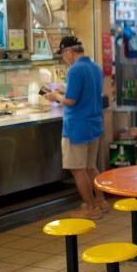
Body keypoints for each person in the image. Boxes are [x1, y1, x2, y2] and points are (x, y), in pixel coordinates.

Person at [45, 36, 108, 219]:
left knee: (77, 169)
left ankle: (91, 209)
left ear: (69, 51)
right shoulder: (95, 67)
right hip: (94, 124)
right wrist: (63, 90)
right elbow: (85, 90)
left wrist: (56, 97)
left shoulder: (74, 69)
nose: (64, 58)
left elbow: (71, 101)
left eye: (64, 54)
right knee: (90, 166)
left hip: (77, 127)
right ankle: (101, 202)